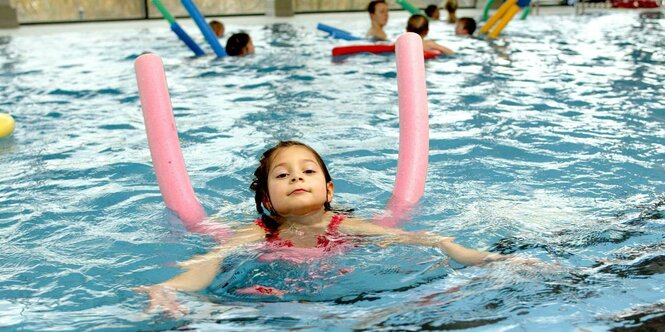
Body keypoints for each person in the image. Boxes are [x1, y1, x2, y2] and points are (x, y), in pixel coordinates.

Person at [135, 140, 507, 315]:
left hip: (347, 296)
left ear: (329, 189)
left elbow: (419, 239)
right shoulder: (259, 232)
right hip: (262, 302)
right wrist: (168, 288)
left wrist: (476, 257)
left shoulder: (347, 226)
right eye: (282, 175)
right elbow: (211, 261)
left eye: (308, 170)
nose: (296, 175)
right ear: (267, 200)